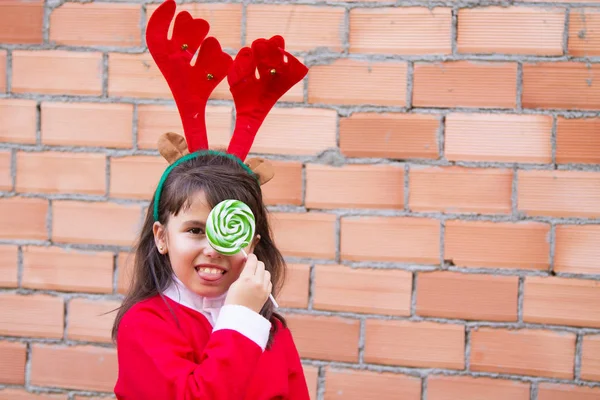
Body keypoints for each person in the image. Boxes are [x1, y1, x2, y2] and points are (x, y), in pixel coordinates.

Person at [111, 1, 310, 398]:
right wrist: (238, 317)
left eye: (229, 228)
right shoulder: (146, 323)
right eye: (194, 229)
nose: (213, 248)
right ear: (162, 237)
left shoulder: (272, 327)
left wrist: (247, 314)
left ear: (252, 242)